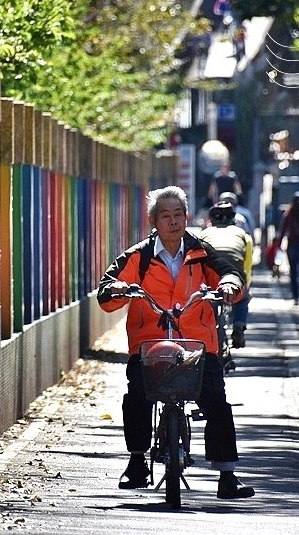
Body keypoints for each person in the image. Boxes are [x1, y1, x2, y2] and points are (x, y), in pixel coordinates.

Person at [97, 185, 254, 499]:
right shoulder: (137, 257)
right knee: (137, 396)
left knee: (217, 402)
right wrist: (119, 290)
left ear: (187, 216)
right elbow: (106, 289)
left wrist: (226, 285)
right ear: (154, 221)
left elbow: (231, 274)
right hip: (149, 346)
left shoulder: (201, 252)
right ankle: (137, 461)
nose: (173, 221)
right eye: (165, 216)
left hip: (197, 346)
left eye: (178, 214)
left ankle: (227, 474)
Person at [200, 201, 254, 348]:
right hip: (235, 274)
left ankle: (205, 329)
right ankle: (238, 326)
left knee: (206, 299)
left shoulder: (204, 234)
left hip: (211, 276)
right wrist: (246, 287)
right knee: (242, 299)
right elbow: (247, 264)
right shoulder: (243, 235)